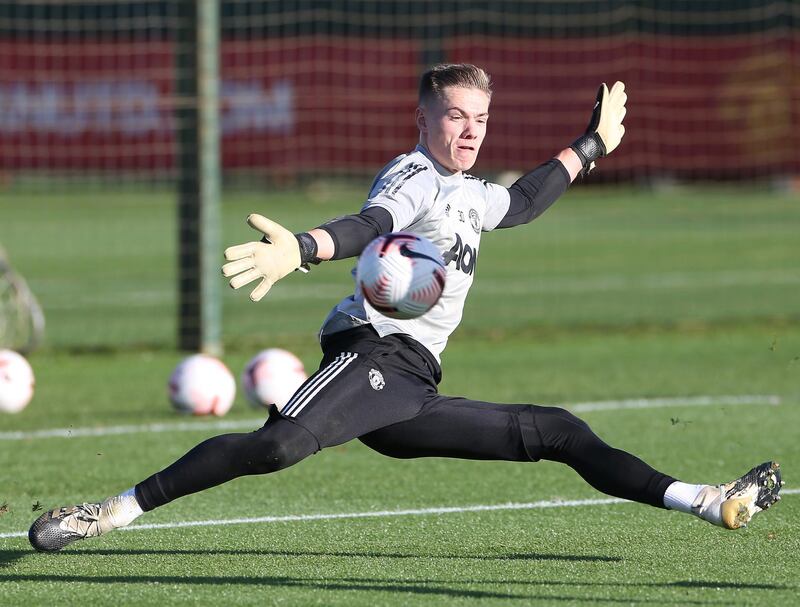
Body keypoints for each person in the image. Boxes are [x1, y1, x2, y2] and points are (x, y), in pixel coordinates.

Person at [29, 64, 782, 552]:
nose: (469, 130)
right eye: (455, 116)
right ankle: (110, 510)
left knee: (556, 431)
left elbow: (520, 201)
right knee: (278, 447)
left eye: (479, 119)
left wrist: (591, 145)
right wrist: (305, 246)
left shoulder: (472, 194)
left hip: (411, 386)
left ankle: (705, 499)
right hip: (370, 354)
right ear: (424, 121)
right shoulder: (415, 174)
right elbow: (372, 226)